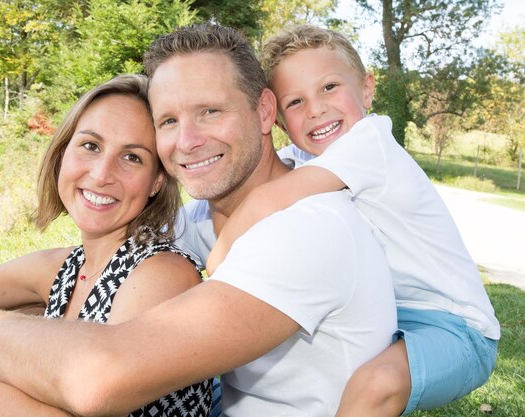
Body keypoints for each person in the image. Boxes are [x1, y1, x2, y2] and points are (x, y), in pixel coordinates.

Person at [0, 23, 396, 416]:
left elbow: (98, 378)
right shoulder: (200, 221)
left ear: (265, 111)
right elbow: (92, 263)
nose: (187, 141)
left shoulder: (307, 230)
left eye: (210, 111)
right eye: (169, 121)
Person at [206, 25, 500, 416]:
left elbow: (266, 199)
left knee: (377, 385)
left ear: (366, 88)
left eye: (329, 87)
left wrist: (218, 265)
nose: (315, 108)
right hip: (387, 319)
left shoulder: (369, 142)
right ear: (278, 122)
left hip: (456, 327)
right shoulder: (312, 160)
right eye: (295, 102)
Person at [0, 74, 212, 417]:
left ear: (156, 181)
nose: (102, 174)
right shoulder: (66, 266)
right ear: (63, 152)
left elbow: (93, 397)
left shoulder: (165, 272)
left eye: (132, 157)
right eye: (91, 146)